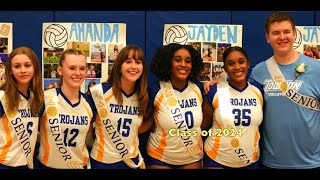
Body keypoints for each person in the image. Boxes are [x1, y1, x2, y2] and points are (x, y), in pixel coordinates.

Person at [249, 11, 320, 169]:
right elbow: (239, 93)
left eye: (286, 32)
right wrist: (216, 83)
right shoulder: (259, 71)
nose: (282, 37)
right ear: (268, 37)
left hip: (312, 162)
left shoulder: (317, 69)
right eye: (276, 33)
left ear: (294, 34)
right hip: (271, 162)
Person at [139, 43, 211, 169]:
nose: (183, 64)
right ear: (168, 62)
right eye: (177, 60)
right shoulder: (155, 89)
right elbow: (144, 121)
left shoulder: (198, 88)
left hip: (192, 157)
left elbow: (205, 123)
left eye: (188, 61)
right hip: (159, 157)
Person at [202, 46, 263, 169]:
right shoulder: (214, 91)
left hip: (250, 160)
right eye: (230, 64)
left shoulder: (259, 90)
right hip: (216, 159)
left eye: (241, 62)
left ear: (248, 64)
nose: (237, 67)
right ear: (224, 68)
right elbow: (203, 126)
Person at [89, 45, 148, 169]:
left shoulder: (144, 96)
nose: (133, 66)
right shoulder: (99, 92)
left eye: (138, 62)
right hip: (102, 162)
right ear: (119, 66)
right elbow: (87, 125)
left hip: (132, 162)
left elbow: (146, 123)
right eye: (128, 62)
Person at [37, 48, 95, 169]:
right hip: (47, 166)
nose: (78, 73)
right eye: (72, 68)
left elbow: (90, 137)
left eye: (82, 68)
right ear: (60, 70)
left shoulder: (90, 102)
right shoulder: (45, 98)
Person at [0, 46, 44, 169]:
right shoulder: (2, 97)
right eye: (17, 66)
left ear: (35, 68)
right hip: (5, 162)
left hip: (27, 163)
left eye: (27, 65)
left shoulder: (37, 98)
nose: (23, 70)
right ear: (10, 70)